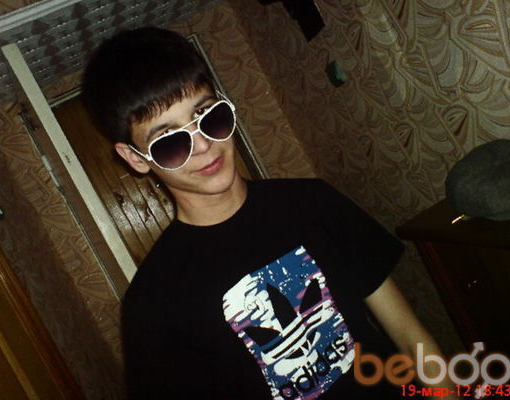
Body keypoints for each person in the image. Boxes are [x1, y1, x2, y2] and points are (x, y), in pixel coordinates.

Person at [83, 27, 451, 400]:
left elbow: (408, 334)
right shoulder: (152, 303)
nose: (204, 145)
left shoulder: (314, 201)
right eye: (171, 141)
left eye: (207, 115)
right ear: (135, 158)